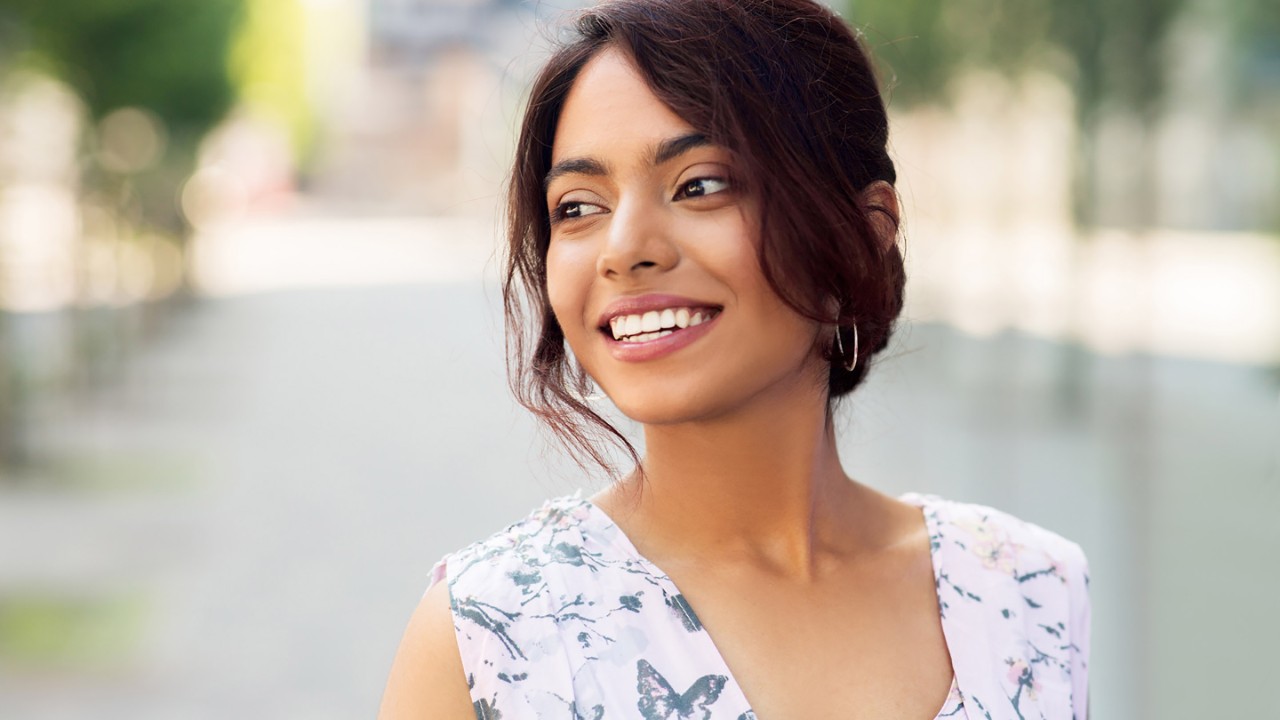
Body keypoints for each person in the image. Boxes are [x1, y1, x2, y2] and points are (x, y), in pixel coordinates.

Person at [379, 0, 1091, 718]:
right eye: (578, 206)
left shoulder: (1026, 588)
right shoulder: (492, 637)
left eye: (701, 185)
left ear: (865, 232)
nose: (626, 248)